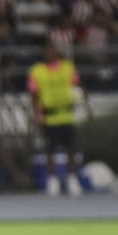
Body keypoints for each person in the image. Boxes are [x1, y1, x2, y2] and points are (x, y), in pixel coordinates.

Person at [27, 42, 88, 196]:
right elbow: (35, 95)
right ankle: (52, 180)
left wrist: (84, 103)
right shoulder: (37, 71)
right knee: (50, 151)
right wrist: (37, 116)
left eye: (53, 50)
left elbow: (77, 87)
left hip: (66, 115)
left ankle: (72, 179)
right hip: (49, 116)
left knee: (72, 150)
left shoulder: (68, 68)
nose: (50, 53)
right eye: (47, 51)